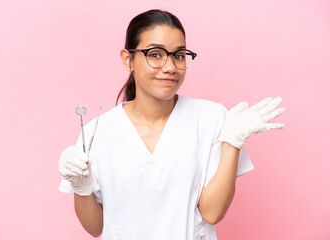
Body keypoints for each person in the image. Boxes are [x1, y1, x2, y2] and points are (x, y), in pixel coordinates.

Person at [58, 9, 285, 240]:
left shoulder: (211, 118)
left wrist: (232, 143)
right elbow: (96, 227)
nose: (170, 67)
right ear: (128, 60)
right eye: (155, 54)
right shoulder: (98, 132)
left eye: (178, 55)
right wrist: (81, 187)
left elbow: (212, 212)